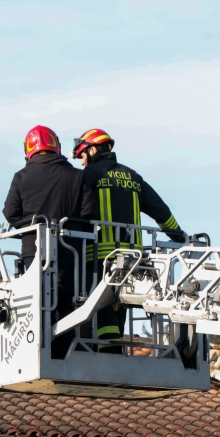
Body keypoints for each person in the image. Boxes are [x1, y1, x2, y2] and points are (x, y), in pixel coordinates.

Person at [74, 128, 186, 352]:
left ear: (93, 149)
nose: (82, 162)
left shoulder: (88, 176)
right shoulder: (132, 176)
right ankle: (112, 350)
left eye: (83, 155)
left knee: (99, 306)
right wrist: (180, 237)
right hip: (133, 260)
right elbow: (160, 211)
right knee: (119, 304)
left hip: (99, 256)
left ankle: (107, 354)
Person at [1, 125, 84, 357]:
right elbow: (89, 213)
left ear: (29, 150)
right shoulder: (77, 176)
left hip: (33, 250)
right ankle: (64, 353)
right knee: (68, 301)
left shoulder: (21, 177)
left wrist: (30, 227)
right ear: (56, 146)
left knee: (37, 300)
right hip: (70, 251)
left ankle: (38, 349)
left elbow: (10, 213)